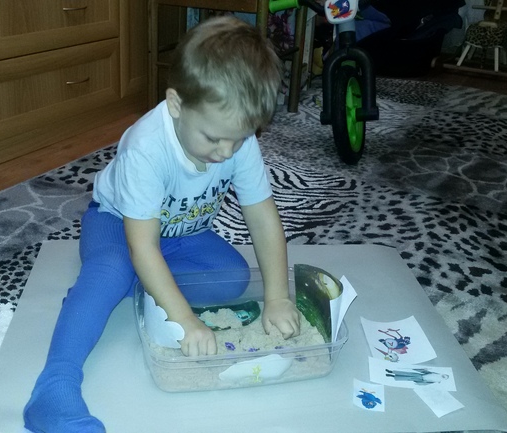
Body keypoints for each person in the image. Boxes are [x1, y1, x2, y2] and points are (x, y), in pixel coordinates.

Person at [23, 15, 301, 433]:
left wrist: (278, 297)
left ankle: (129, 288)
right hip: (119, 226)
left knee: (233, 275)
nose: (226, 153)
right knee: (111, 269)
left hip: (183, 233)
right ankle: (53, 387)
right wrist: (185, 320)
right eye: (213, 138)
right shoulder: (147, 149)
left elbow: (262, 217)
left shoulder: (233, 139)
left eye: (241, 139)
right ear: (176, 105)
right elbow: (142, 246)